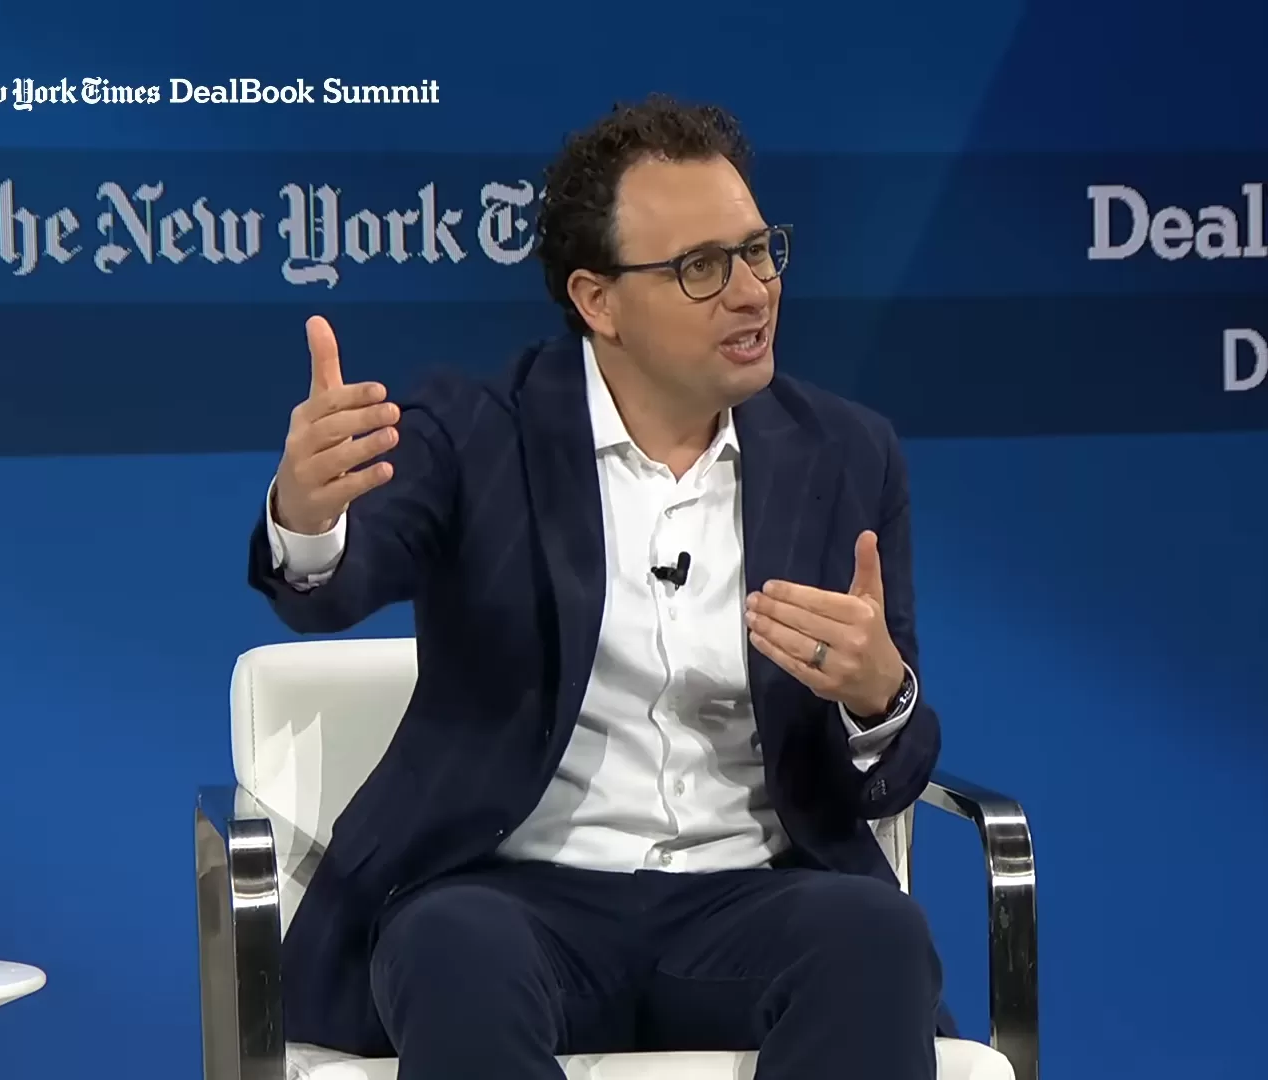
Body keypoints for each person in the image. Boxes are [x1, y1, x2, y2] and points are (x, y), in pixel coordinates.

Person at [248, 94, 949, 1080]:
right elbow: (333, 584)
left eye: (759, 252)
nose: (751, 293)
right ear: (598, 301)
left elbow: (893, 767)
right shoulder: (477, 434)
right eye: (702, 268)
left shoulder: (846, 454)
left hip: (752, 898)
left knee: (876, 937)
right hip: (514, 898)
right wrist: (310, 516)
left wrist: (879, 698)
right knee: (451, 950)